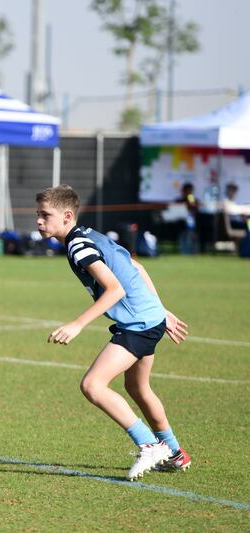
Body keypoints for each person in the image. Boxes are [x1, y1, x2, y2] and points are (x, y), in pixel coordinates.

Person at [35, 185, 190, 481]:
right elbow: (137, 266)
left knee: (93, 385)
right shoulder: (91, 234)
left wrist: (77, 324)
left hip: (138, 325)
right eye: (38, 215)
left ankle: (150, 445)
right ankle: (175, 452)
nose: (39, 221)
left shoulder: (78, 246)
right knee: (138, 389)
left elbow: (115, 289)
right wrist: (159, 309)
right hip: (148, 319)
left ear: (67, 216)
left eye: (45, 215)